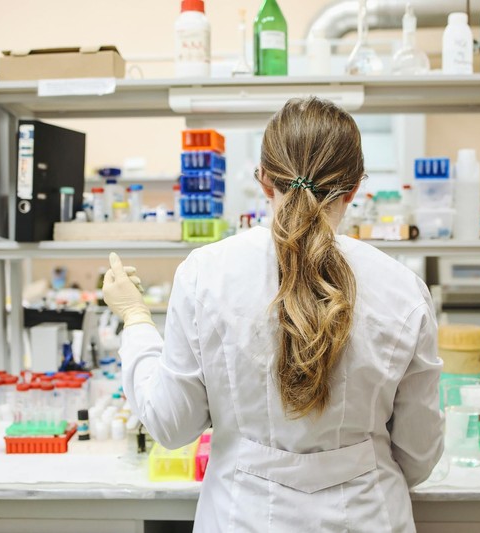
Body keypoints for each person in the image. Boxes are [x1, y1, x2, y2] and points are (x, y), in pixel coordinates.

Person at [103, 97, 443, 532]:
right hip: (367, 516)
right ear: (355, 188)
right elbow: (419, 453)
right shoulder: (403, 288)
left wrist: (134, 317)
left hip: (241, 517)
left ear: (264, 181)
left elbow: (173, 425)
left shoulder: (206, 274)